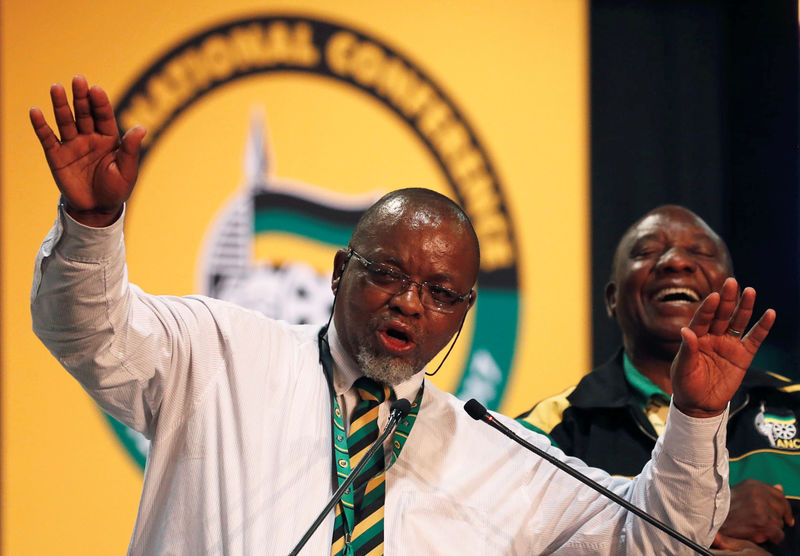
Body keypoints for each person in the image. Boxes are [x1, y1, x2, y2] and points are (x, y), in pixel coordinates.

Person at [31, 76, 775, 555]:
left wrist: (696, 417)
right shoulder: (219, 354)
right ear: (339, 272)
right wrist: (90, 227)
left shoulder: (501, 455)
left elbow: (658, 535)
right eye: (387, 274)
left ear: (463, 314)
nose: (410, 302)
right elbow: (89, 331)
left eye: (441, 293)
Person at [518, 206, 800, 555]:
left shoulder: (794, 407)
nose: (676, 262)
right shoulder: (543, 435)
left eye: (701, 252)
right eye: (647, 251)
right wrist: (699, 524)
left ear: (732, 294)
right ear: (612, 299)